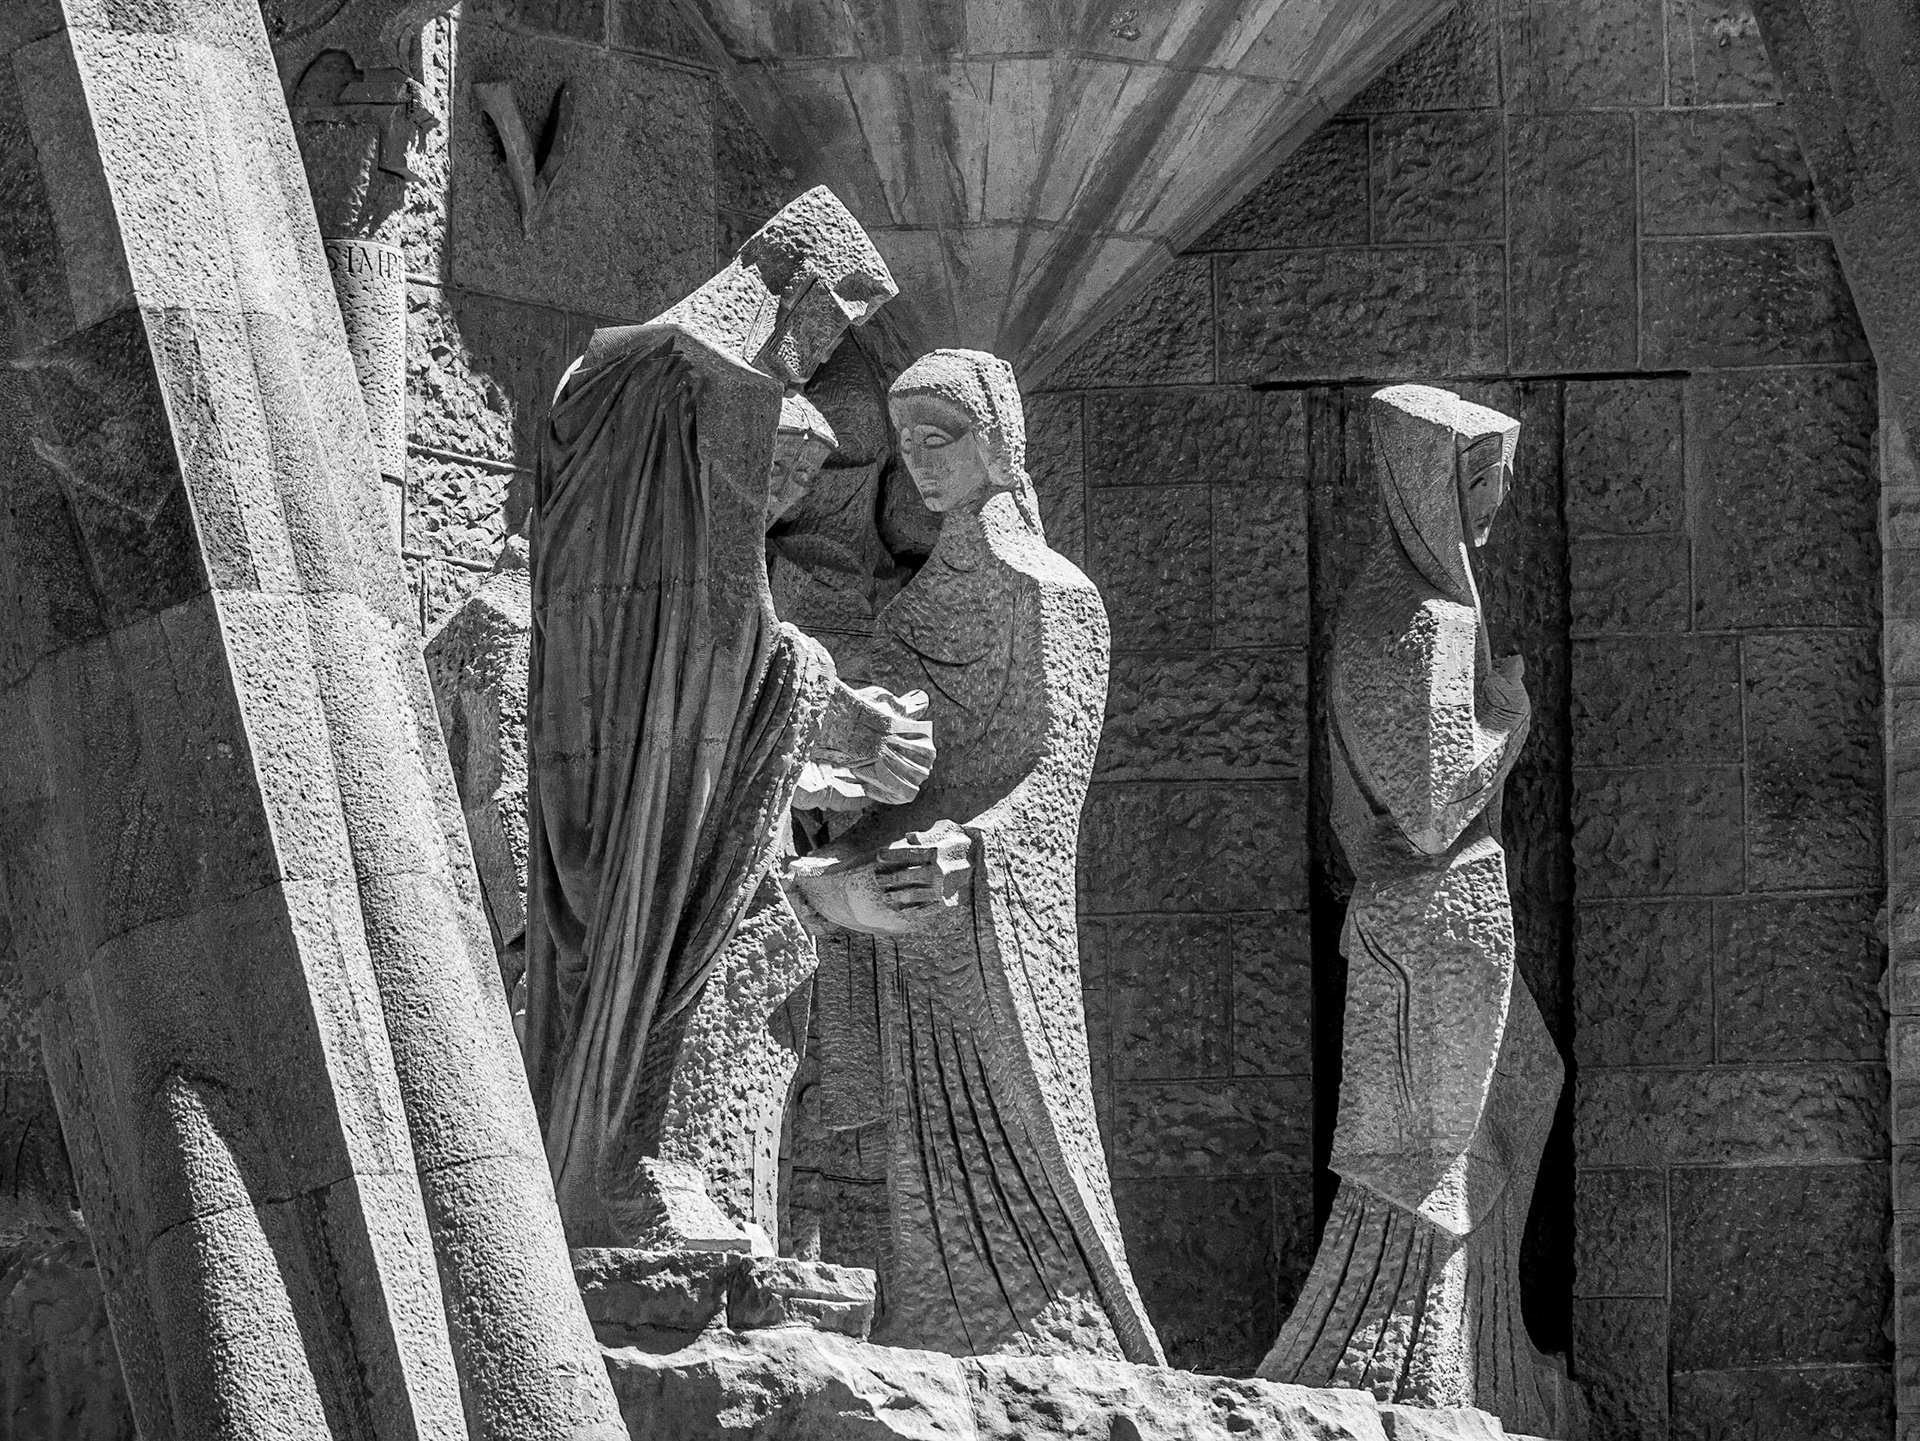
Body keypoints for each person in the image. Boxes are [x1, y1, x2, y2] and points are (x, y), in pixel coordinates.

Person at [523, 188, 931, 1246]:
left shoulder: (600, 385)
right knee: (730, 953)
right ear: (794, 293)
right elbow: (722, 627)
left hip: (597, 746)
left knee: (626, 959)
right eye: (828, 319)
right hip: (668, 773)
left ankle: (621, 1180)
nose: (815, 347)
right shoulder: (725, 389)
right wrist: (838, 713)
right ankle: (651, 1177)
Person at [787, 349, 1164, 1366]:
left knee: (1016, 1146)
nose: (922, 462)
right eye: (907, 443)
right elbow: (833, 750)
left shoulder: (1055, 596)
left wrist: (972, 850)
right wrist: (840, 769)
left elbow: (1055, 783)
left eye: (941, 437)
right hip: (901, 925)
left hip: (986, 931)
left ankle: (1055, 1342)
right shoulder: (906, 616)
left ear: (998, 440)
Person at [1257, 385, 1577, 1438]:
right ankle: (1409, 1373)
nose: (1491, 506)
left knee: (1520, 1091)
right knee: (1423, 1158)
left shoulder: (1422, 606)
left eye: (1499, 483)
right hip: (1428, 920)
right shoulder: (1418, 619)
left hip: (1445, 925)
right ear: (1425, 481)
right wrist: (1511, 721)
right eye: (1478, 481)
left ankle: (1482, 1359)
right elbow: (1436, 806)